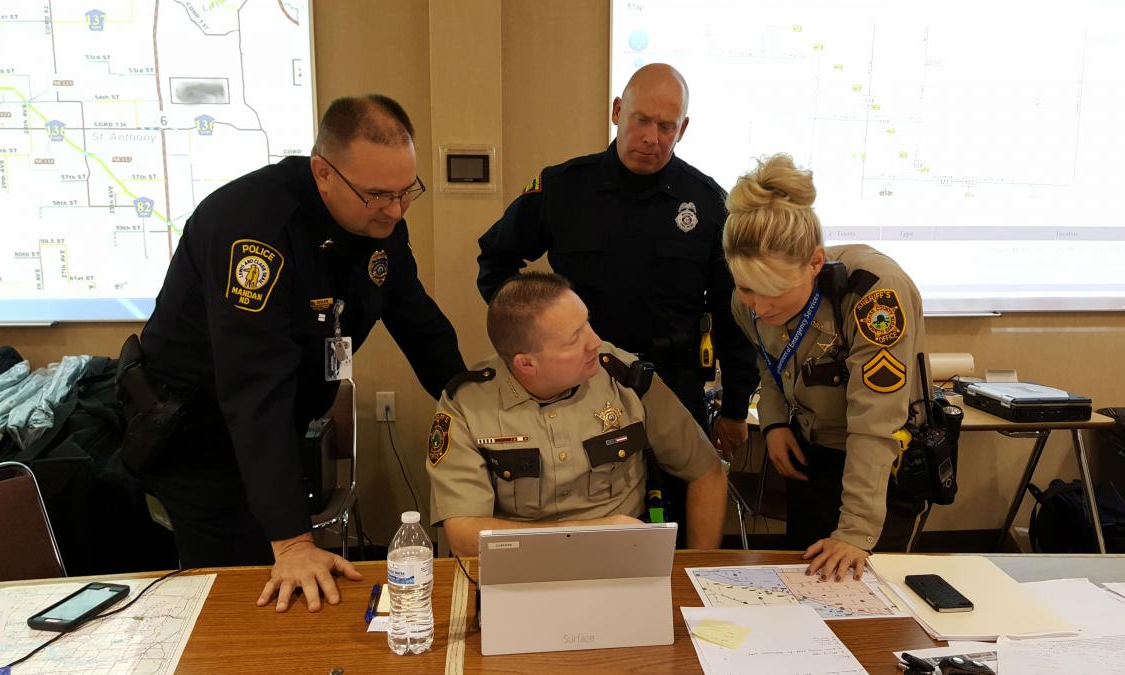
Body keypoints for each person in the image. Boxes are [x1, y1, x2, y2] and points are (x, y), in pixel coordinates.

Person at [123, 95, 465, 612]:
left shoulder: (379, 221)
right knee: (241, 597)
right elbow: (253, 389)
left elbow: (417, 320)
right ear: (323, 172)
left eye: (405, 192)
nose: (395, 211)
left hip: (276, 429)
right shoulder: (252, 228)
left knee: (298, 588)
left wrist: (470, 403)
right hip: (201, 435)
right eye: (377, 195)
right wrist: (292, 542)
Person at [476, 63, 757, 533]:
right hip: (583, 380)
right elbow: (496, 261)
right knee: (587, 516)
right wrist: (530, 336)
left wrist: (735, 407)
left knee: (679, 519)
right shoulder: (564, 188)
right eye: (641, 120)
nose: (651, 137)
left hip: (672, 382)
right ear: (617, 112)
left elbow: (734, 312)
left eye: (666, 126)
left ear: (682, 130)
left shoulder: (707, 203)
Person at [723, 154, 928, 582]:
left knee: (867, 596)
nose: (759, 307)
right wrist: (776, 422)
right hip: (810, 453)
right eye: (746, 289)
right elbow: (768, 360)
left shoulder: (872, 295)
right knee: (806, 582)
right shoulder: (746, 303)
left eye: (774, 292)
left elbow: (876, 422)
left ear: (815, 263)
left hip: (878, 463)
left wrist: (855, 532)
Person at [425, 272, 727, 558]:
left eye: (587, 322)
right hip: (520, 567)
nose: (594, 341)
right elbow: (464, 535)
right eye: (574, 339)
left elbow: (707, 472)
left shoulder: (625, 378)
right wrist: (592, 533)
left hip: (624, 562)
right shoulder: (467, 405)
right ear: (526, 364)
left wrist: (692, 575)